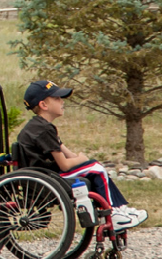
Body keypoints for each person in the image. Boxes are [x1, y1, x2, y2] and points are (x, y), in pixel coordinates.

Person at [18, 80, 149, 230]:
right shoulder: (43, 130)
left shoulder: (42, 126)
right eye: (57, 98)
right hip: (47, 177)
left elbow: (68, 154)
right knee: (96, 169)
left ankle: (119, 208)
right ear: (44, 105)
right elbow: (65, 165)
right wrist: (82, 159)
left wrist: (80, 159)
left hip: (48, 174)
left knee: (93, 166)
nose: (62, 102)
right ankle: (113, 213)